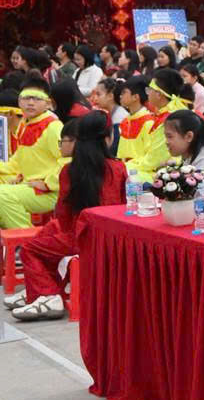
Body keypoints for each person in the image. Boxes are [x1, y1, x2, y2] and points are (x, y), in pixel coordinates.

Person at [4, 112, 127, 320]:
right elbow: (123, 206)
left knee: (30, 249)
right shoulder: (119, 168)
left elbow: (63, 214)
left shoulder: (70, 170)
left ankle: (46, 293)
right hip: (109, 236)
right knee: (49, 231)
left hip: (81, 237)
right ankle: (38, 289)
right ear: (107, 139)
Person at [0, 77, 65, 229]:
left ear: (48, 103)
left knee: (2, 195)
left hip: (50, 191)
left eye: (37, 98)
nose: (30, 103)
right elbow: (18, 159)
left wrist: (48, 183)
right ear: (19, 101)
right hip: (28, 183)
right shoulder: (24, 123)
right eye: (26, 98)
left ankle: (26, 237)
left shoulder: (54, 126)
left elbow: (67, 160)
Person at [130, 68, 188, 181]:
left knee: (128, 174)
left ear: (159, 94)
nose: (147, 93)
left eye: (149, 90)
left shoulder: (170, 119)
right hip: (160, 166)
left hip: (168, 171)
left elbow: (154, 161)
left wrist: (128, 165)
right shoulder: (169, 112)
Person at [115, 75, 154, 164]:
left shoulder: (149, 122)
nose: (120, 96)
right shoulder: (125, 121)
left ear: (135, 97)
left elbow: (150, 156)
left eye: (124, 93)